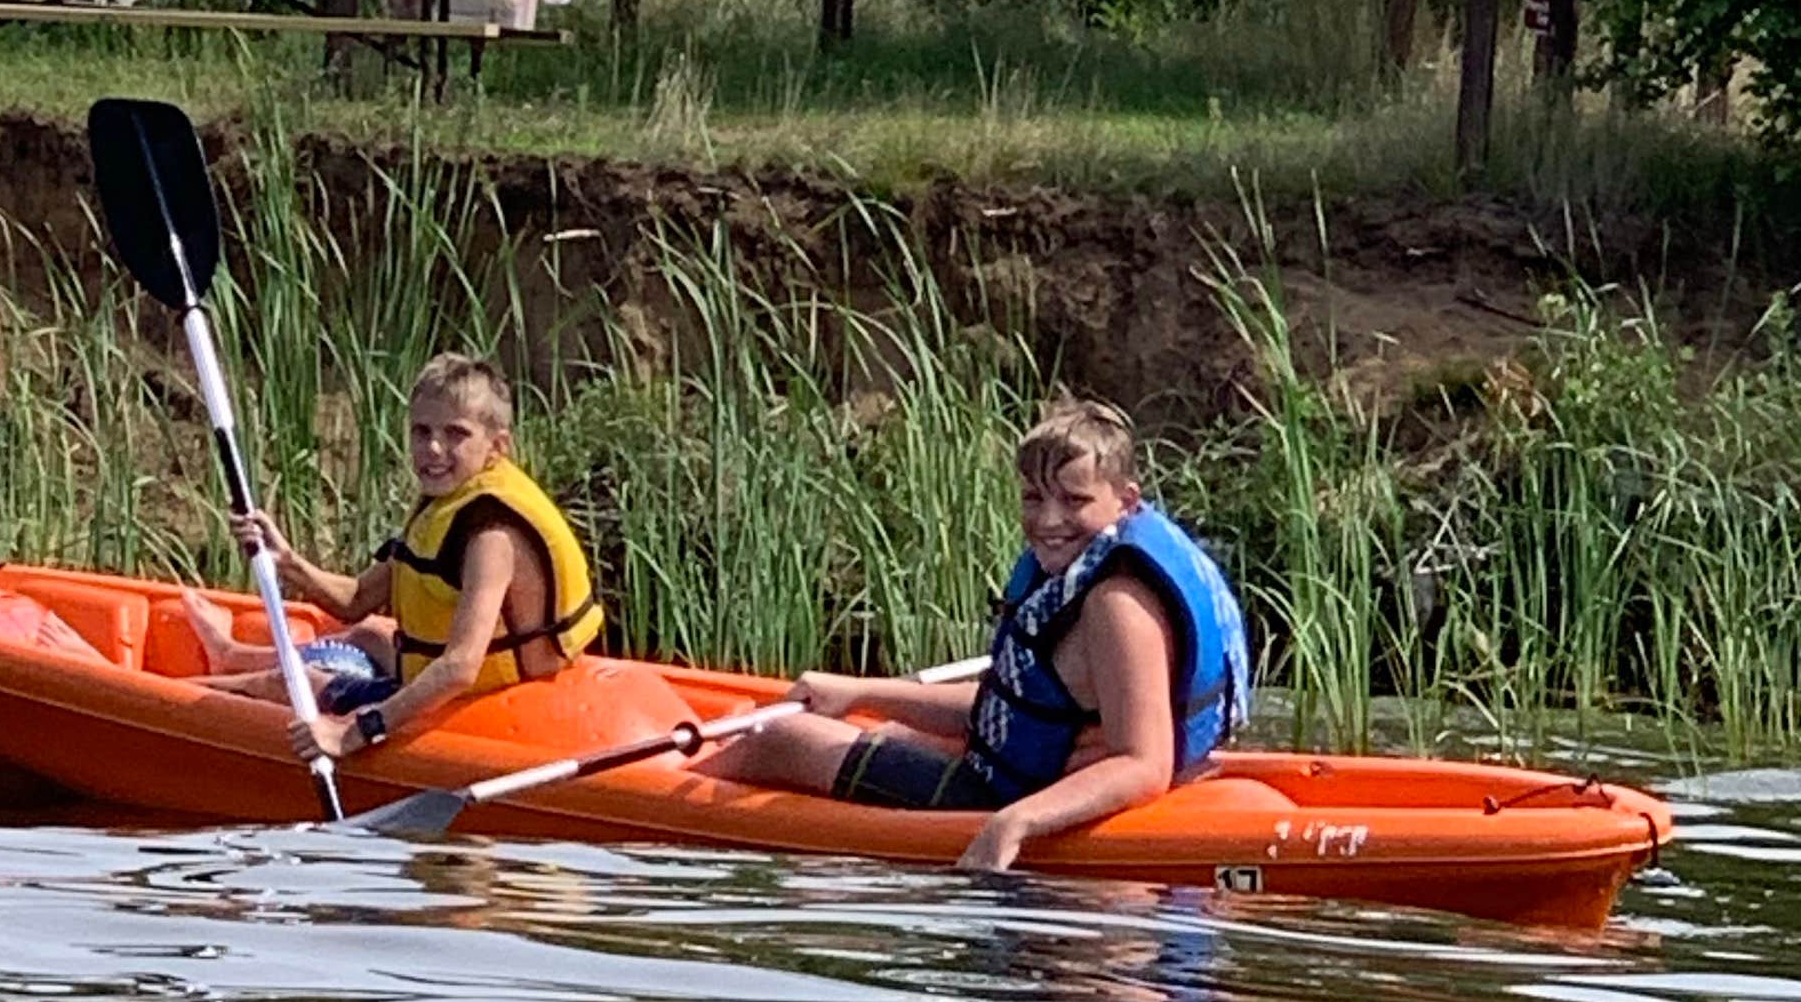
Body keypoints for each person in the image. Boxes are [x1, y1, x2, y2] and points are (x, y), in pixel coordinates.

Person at [722, 397, 1251, 876]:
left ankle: (668, 789)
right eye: (1033, 498)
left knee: (779, 740)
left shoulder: (1115, 605)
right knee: (866, 726)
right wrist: (862, 693)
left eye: (1074, 500)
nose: (1049, 519)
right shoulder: (1085, 566)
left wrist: (1012, 824)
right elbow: (1017, 708)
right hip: (1030, 769)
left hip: (1019, 795)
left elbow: (1143, 765)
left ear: (1126, 500)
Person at [182, 351, 602, 765]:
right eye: (421, 432)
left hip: (481, 696)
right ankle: (233, 654)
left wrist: (353, 732)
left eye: (455, 433)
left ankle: (173, 697)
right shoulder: (452, 500)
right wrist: (287, 559)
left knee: (296, 684)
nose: (433, 448)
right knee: (370, 633)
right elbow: (357, 599)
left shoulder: (490, 538)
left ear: (497, 446)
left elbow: (459, 667)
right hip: (452, 671)